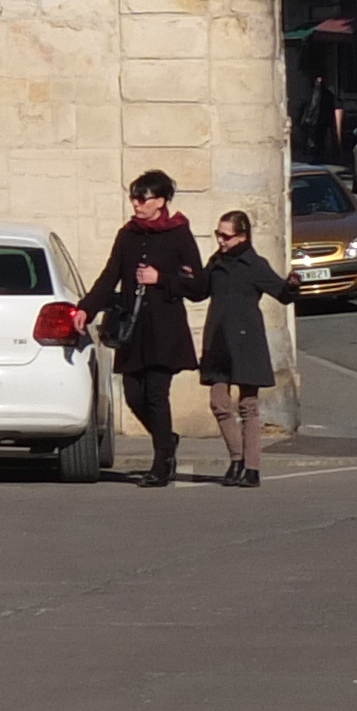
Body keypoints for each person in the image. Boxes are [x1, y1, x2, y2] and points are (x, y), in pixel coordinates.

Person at [80, 170, 207, 486]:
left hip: (164, 329)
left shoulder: (178, 234)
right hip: (132, 330)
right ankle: (167, 439)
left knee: (156, 394)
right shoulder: (128, 235)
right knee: (134, 395)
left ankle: (162, 463)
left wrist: (161, 279)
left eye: (142, 197)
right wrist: (85, 308)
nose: (136, 203)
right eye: (133, 197)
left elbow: (199, 286)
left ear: (160, 201)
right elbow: (109, 276)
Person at [194, 209, 298, 487]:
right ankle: (236, 458)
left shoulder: (254, 264)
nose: (221, 241)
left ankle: (252, 468)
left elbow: (282, 293)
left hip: (246, 342)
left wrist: (292, 285)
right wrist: (185, 275)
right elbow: (199, 291)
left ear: (242, 236)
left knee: (248, 406)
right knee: (218, 403)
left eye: (226, 236)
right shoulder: (216, 261)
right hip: (218, 341)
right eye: (218, 235)